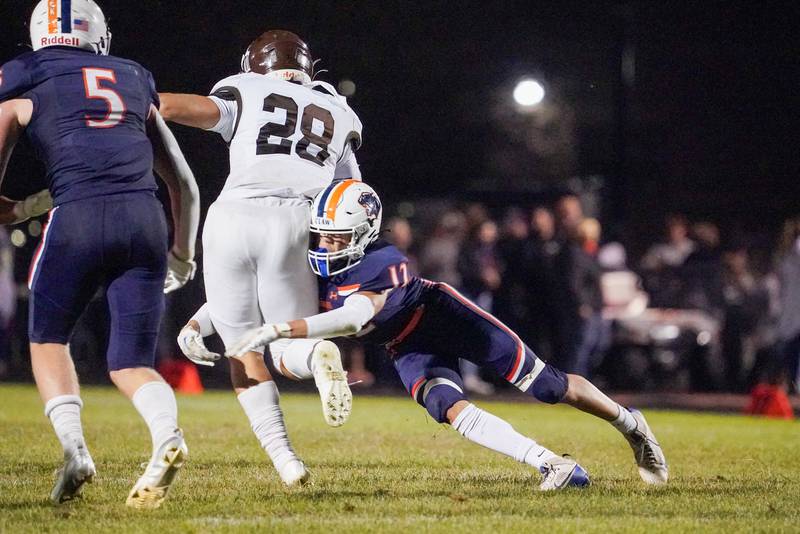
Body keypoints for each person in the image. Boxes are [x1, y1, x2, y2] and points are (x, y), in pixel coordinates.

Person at [214, 182, 668, 490]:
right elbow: (249, 285)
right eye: (322, 236)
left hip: (441, 315)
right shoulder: (312, 267)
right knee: (444, 406)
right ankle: (553, 465)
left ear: (365, 231)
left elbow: (353, 319)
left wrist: (283, 328)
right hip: (405, 344)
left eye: (337, 239)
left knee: (548, 386)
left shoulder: (383, 260)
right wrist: (203, 321)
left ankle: (632, 425)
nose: (325, 247)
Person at [0, 0, 200, 508]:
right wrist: (182, 255)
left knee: (47, 338)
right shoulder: (132, 77)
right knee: (131, 360)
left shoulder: (25, 78)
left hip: (79, 218)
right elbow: (183, 182)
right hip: (145, 220)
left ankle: (75, 450)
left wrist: (23, 204)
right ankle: (167, 436)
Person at [159, 30, 362, 486]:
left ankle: (288, 463)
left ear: (255, 64)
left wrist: (134, 97)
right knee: (288, 344)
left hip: (232, 215)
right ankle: (315, 357)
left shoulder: (246, 87)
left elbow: (174, 108)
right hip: (296, 221)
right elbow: (351, 194)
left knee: (244, 350)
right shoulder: (339, 112)